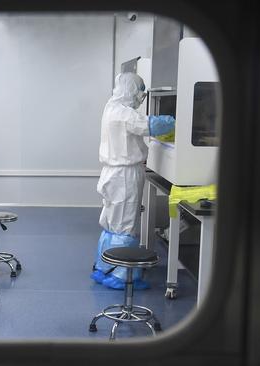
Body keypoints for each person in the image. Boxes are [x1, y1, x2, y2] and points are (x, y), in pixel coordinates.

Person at [91, 72, 175, 290]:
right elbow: (151, 125)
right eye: (140, 90)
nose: (142, 96)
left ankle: (104, 267)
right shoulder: (124, 114)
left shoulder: (111, 107)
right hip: (125, 176)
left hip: (111, 173)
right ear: (130, 89)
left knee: (111, 223)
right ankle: (122, 275)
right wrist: (178, 121)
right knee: (125, 226)